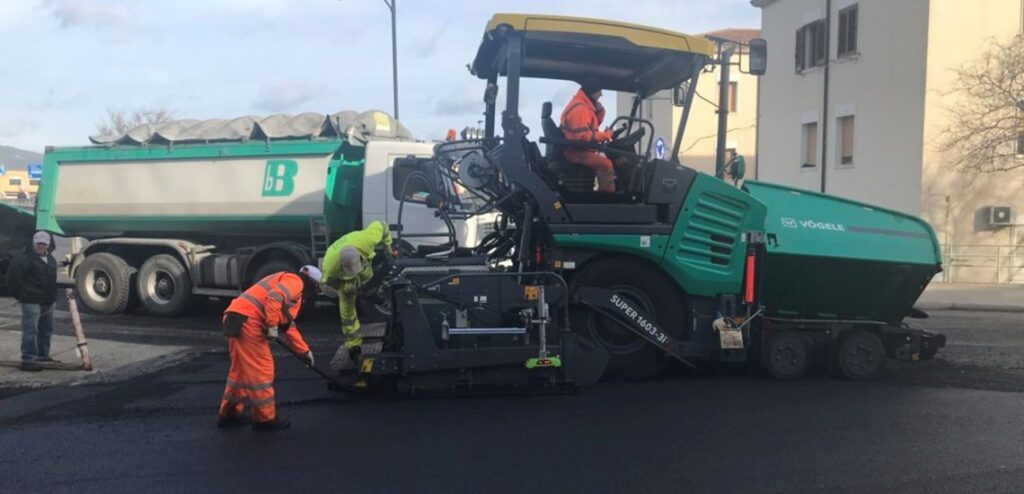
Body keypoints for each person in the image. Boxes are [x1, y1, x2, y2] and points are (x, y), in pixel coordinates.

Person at [217, 265, 322, 431]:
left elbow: (288, 326)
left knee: (240, 372)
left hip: (237, 319)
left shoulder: (289, 288)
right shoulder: (296, 282)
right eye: (317, 288)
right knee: (262, 371)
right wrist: (272, 325)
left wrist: (304, 351)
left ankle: (229, 414)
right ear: (312, 283)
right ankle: (264, 419)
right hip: (248, 323)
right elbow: (274, 296)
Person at [321, 220, 393, 362]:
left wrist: (388, 249)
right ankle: (353, 345)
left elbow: (382, 224)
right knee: (347, 315)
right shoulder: (330, 267)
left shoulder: (368, 239)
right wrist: (349, 289)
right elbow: (331, 283)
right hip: (345, 281)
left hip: (364, 267)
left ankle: (371, 288)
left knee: (376, 276)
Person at [5, 231, 57, 372]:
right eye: (38, 243)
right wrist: (21, 296)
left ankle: (43, 356)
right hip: (31, 301)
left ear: (48, 245)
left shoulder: (51, 260)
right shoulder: (23, 259)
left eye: (44, 243)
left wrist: (53, 297)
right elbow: (12, 279)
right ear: (34, 243)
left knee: (46, 330)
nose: (41, 246)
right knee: (31, 331)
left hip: (48, 301)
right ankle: (28, 360)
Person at [560, 81, 616, 192]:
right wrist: (607, 135)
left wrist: (600, 112)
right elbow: (583, 136)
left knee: (605, 161)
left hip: (579, 149)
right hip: (575, 152)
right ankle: (608, 198)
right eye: (599, 93)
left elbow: (590, 127)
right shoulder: (579, 108)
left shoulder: (583, 106)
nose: (601, 95)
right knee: (606, 165)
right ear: (592, 93)